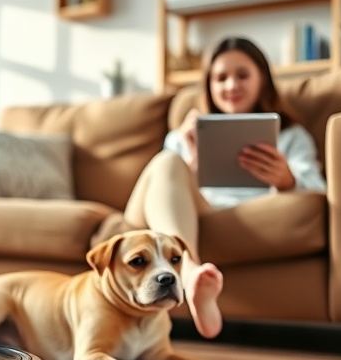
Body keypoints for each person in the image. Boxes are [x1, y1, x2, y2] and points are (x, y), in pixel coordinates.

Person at [98, 36, 326, 340]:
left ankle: (189, 273)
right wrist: (191, 164)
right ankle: (190, 272)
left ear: (263, 81)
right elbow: (160, 189)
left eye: (242, 75)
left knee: (168, 164)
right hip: (176, 216)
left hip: (236, 213)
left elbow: (320, 195)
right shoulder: (186, 134)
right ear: (208, 84)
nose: (231, 86)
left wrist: (287, 179)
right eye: (221, 78)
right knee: (167, 162)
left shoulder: (289, 136)